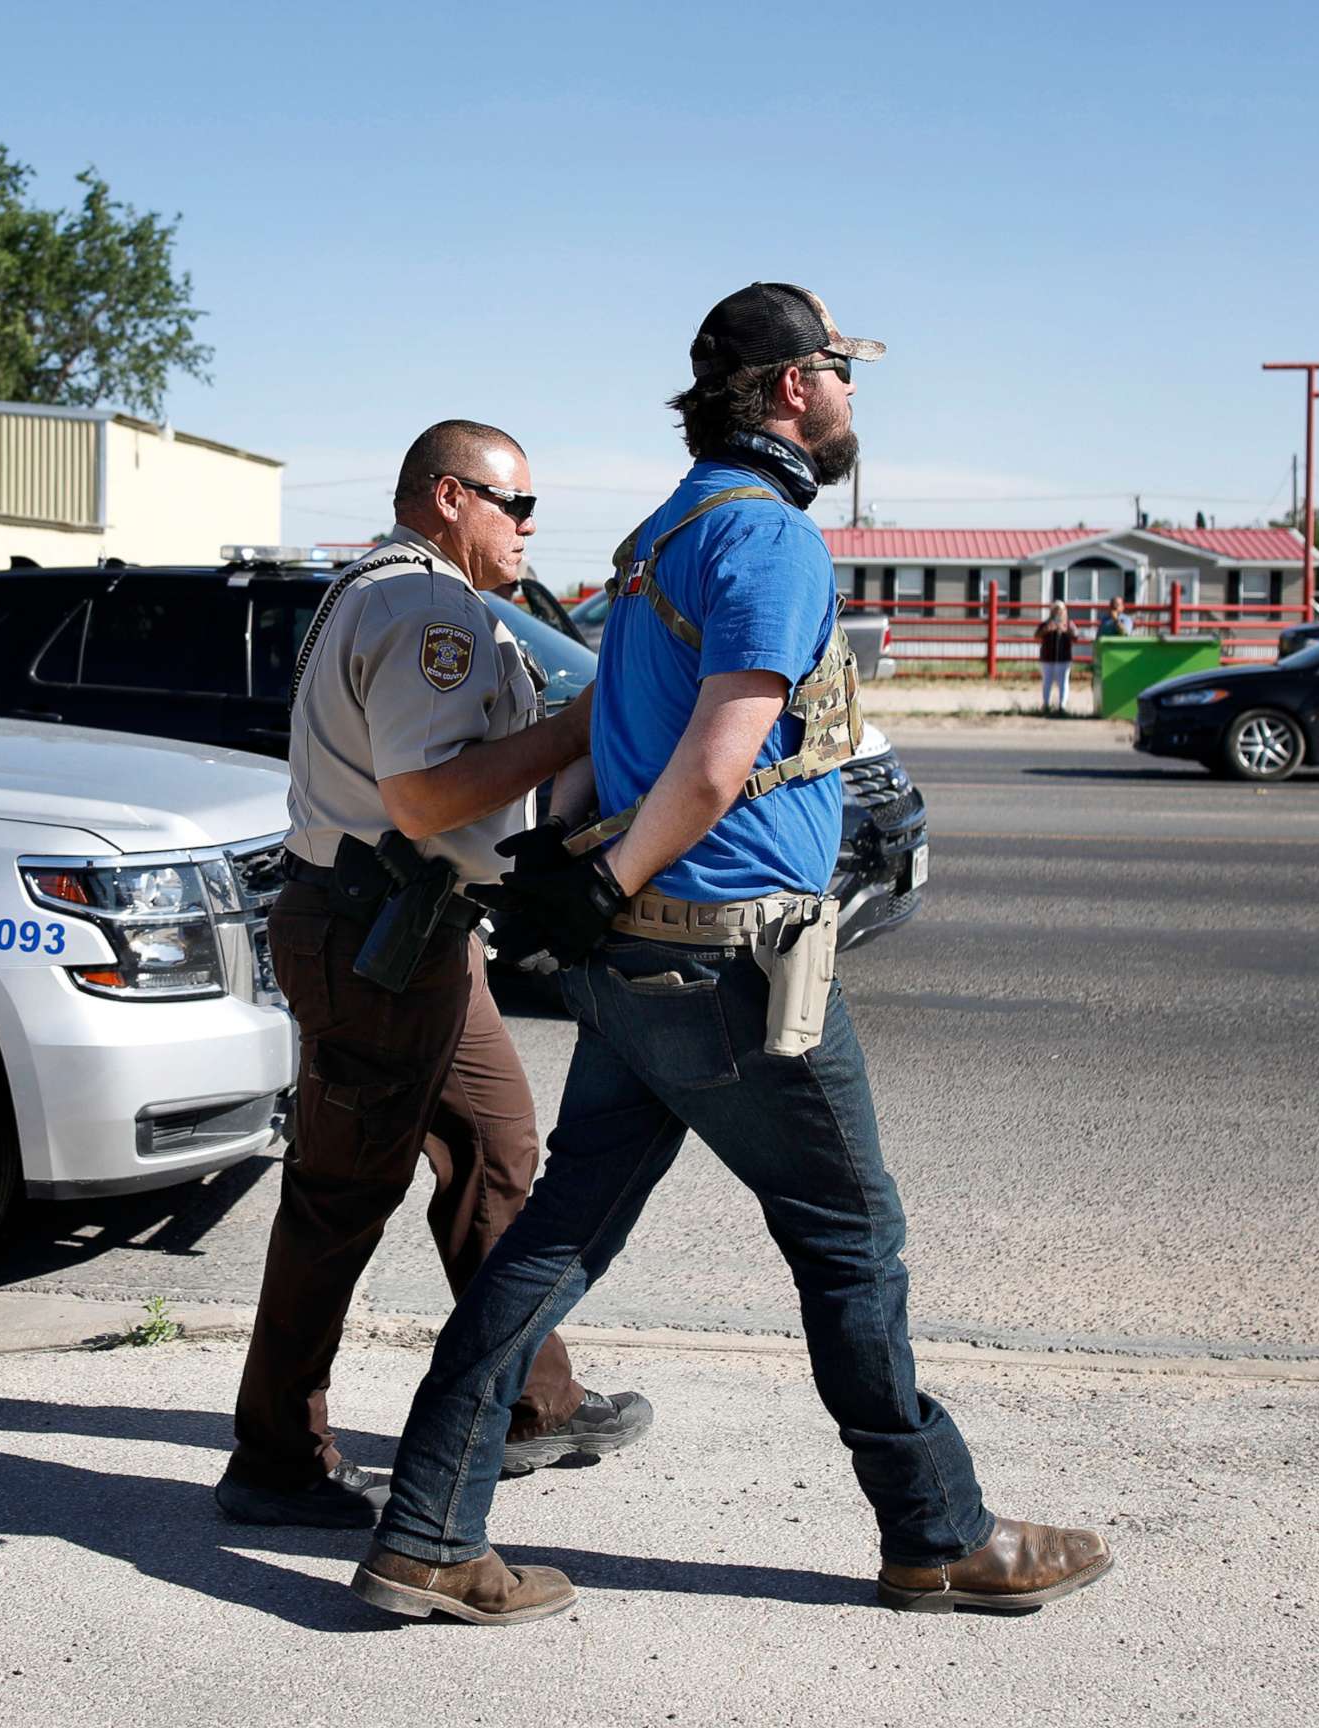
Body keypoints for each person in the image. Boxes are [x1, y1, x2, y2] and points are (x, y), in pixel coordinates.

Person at [351, 286, 1110, 1625]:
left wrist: (592, 883)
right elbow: (712, 766)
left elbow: (613, 730)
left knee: (553, 1245)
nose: (854, 398)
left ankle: (424, 1530)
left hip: (641, 969)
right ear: (791, 390)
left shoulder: (662, 536)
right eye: (844, 374)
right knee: (851, 1246)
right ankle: (937, 1533)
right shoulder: (766, 539)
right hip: (730, 973)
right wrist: (608, 878)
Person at [214, 420, 653, 1528]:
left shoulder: (396, 590)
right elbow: (424, 798)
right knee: (339, 1200)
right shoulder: (427, 608)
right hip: (379, 940)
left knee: (500, 1153)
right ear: (451, 497)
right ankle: (276, 1459)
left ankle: (532, 1405)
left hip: (413, 932)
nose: (531, 528)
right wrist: (577, 728)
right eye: (517, 505)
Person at [1036, 601, 1077, 714]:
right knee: (1047, 682)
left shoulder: (1069, 623)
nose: (1058, 612)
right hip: (1047, 658)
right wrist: (1047, 629)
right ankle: (1046, 704)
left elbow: (1075, 637)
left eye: (1060, 610)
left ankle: (1062, 706)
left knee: (1063, 682)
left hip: (1063, 658)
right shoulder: (1046, 623)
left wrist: (1065, 630)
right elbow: (1037, 635)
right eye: (1055, 610)